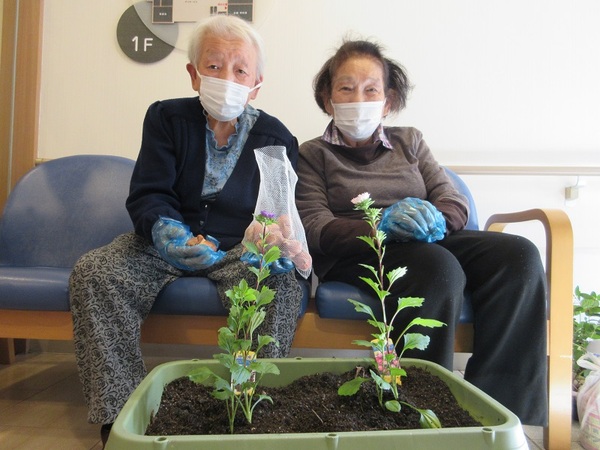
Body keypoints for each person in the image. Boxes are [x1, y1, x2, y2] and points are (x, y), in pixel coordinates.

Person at [69, 15, 302, 445]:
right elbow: (147, 192)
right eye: (214, 66)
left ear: (256, 84)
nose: (227, 78)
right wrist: (165, 230)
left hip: (238, 249)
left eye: (240, 70)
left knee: (283, 283)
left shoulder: (277, 137)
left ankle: (253, 404)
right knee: (95, 272)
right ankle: (119, 416)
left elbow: (278, 210)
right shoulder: (165, 118)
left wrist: (266, 238)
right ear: (194, 74)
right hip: (162, 244)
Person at [296, 38, 548, 426]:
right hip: (363, 252)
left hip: (430, 240)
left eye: (371, 89)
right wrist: (380, 223)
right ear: (328, 99)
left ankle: (497, 412)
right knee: (437, 267)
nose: (358, 98)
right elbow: (316, 227)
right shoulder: (312, 154)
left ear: (388, 101)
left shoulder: (410, 141)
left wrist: (436, 219)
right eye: (345, 88)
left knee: (519, 256)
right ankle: (422, 410)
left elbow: (452, 198)